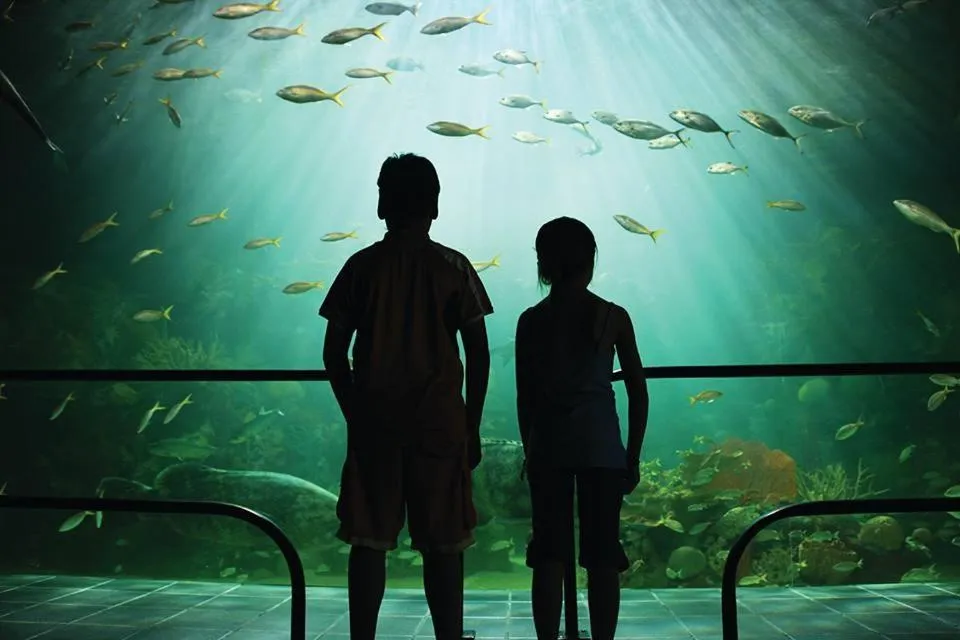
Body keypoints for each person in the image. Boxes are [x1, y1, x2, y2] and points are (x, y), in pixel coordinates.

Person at [320, 153, 493, 640]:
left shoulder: (361, 267)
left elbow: (334, 353)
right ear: (435, 206)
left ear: (381, 203)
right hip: (440, 426)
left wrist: (355, 413)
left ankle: (362, 638)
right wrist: (471, 424)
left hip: (375, 423)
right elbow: (477, 354)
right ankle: (449, 638)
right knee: (444, 543)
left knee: (368, 539)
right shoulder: (453, 267)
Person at [515, 216, 649, 640]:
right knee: (603, 556)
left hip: (550, 448)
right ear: (591, 260)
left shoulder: (531, 321)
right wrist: (632, 456)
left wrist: (529, 449)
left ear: (543, 265)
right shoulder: (614, 316)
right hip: (603, 448)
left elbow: (526, 399)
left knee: (549, 554)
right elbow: (638, 394)